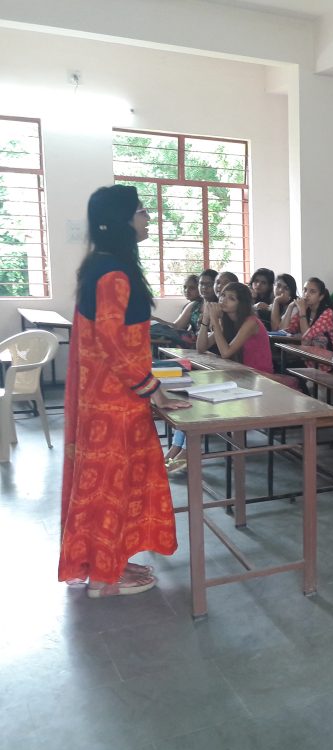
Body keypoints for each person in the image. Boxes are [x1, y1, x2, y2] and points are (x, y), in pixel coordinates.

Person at [59, 184, 191, 598]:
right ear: (121, 220)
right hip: (113, 401)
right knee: (110, 485)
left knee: (111, 484)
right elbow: (114, 342)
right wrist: (155, 390)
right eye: (140, 211)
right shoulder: (113, 273)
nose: (147, 217)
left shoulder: (102, 264)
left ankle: (108, 561)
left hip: (109, 396)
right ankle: (104, 578)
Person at [166, 282, 274, 474]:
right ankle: (177, 447)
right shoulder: (226, 320)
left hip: (259, 379)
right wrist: (207, 319)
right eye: (223, 296)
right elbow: (200, 348)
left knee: (200, 402)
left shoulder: (250, 322)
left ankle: (187, 450)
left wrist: (215, 320)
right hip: (239, 376)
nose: (223, 300)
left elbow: (225, 353)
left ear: (241, 304)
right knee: (191, 396)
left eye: (231, 298)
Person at [286, 277, 333, 369]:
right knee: (284, 365)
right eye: (305, 290)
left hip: (329, 358)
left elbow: (307, 337)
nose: (306, 294)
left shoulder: (328, 313)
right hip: (309, 356)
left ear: (321, 297)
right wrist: (290, 307)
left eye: (312, 292)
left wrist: (302, 312)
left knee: (289, 367)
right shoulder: (306, 309)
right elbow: (288, 330)